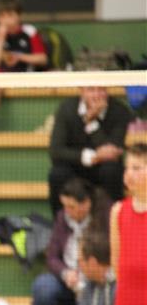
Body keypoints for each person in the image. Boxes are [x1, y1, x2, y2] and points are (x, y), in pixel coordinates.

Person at [32, 178, 111, 305]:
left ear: (86, 203)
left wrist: (87, 275)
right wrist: (66, 273)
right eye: (64, 206)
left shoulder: (105, 217)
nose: (67, 211)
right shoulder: (62, 218)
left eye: (71, 207)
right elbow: (51, 257)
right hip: (67, 280)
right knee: (42, 287)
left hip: (94, 278)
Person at [48, 85, 133, 215]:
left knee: (112, 170)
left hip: (104, 170)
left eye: (101, 89)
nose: (96, 95)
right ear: (81, 91)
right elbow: (56, 150)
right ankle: (60, 223)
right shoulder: (67, 108)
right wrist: (91, 157)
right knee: (57, 174)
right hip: (75, 167)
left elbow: (112, 150)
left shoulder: (119, 110)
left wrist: (92, 123)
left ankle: (113, 219)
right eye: (91, 90)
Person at [0, 0, 48, 132]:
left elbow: (42, 58)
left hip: (24, 78)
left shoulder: (30, 32)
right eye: (2, 16)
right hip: (1, 79)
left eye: (10, 15)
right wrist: (1, 37)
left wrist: (20, 57)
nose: (6, 20)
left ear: (19, 15)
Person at [48, 231, 116, 305]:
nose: (78, 267)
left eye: (80, 261)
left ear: (92, 262)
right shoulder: (89, 284)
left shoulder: (118, 284)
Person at [110, 143, 147, 305]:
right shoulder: (117, 211)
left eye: (136, 168)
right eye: (127, 168)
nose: (129, 174)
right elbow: (116, 263)